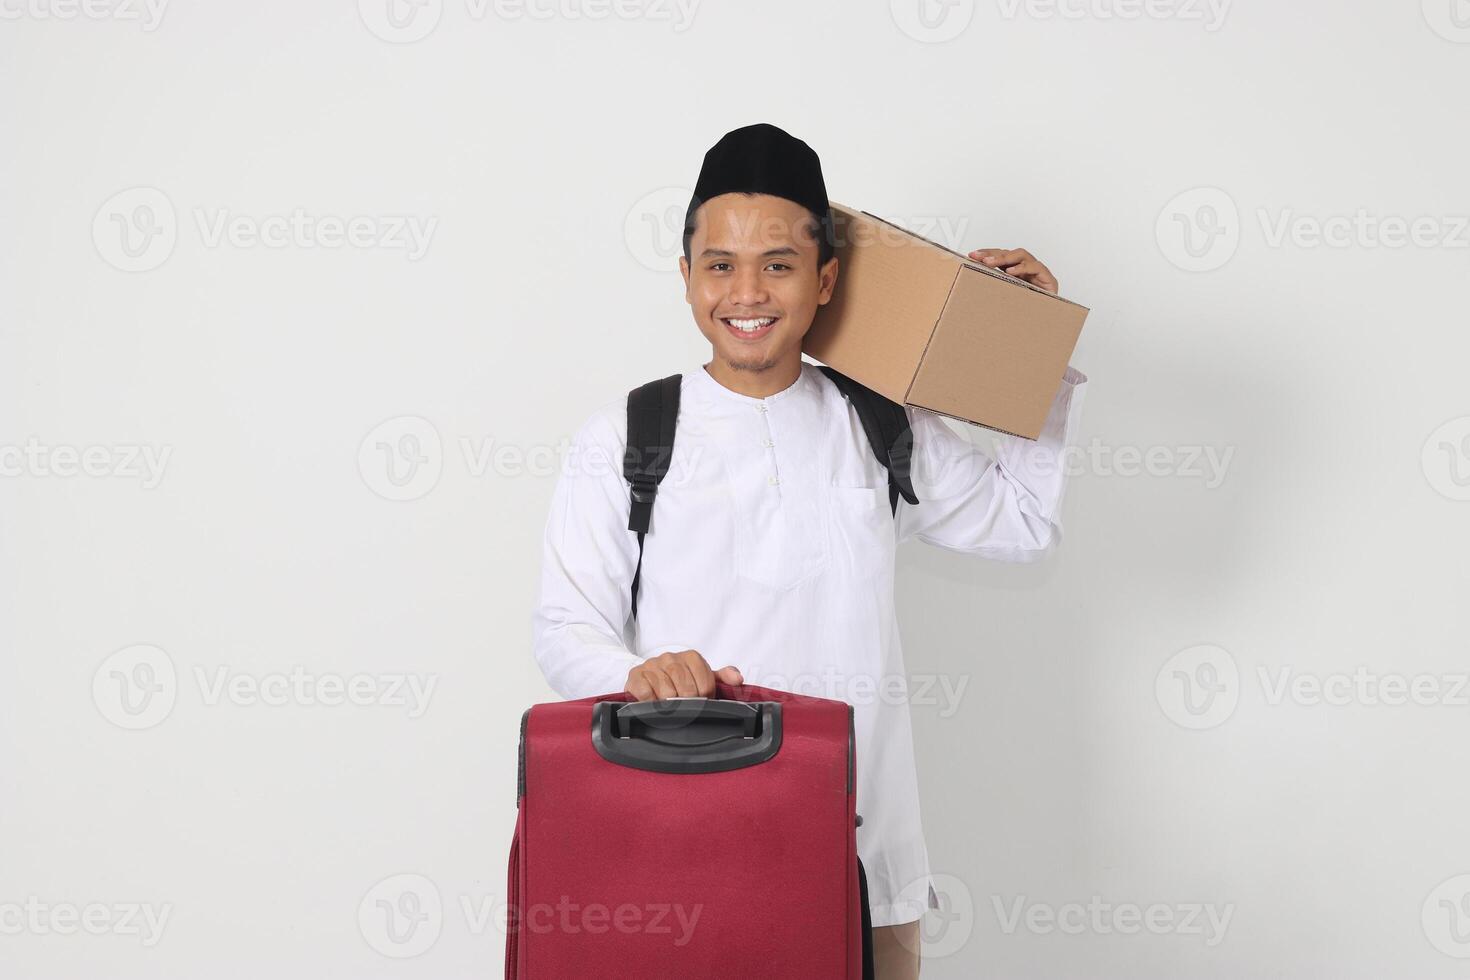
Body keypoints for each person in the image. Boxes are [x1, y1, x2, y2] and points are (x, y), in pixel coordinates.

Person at [531, 122, 1088, 979]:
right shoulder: (627, 436)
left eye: (779, 264)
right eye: (719, 264)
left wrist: (1031, 353)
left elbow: (1020, 525)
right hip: (680, 860)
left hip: (866, 862)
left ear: (825, 279)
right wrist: (637, 673)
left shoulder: (879, 422)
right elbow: (566, 626)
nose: (746, 291)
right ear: (685, 278)